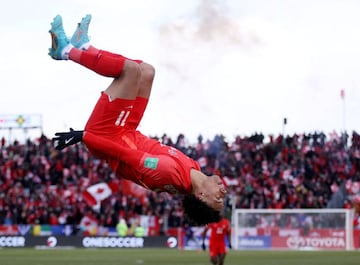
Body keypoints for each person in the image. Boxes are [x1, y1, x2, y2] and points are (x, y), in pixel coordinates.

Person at [48, 14, 227, 225]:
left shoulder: (168, 174)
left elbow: (124, 154)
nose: (223, 190)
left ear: (201, 196)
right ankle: (85, 47)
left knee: (130, 71)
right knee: (147, 72)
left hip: (107, 135)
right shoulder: (194, 167)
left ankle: (65, 51)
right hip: (126, 130)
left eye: (218, 197)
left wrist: (84, 136)